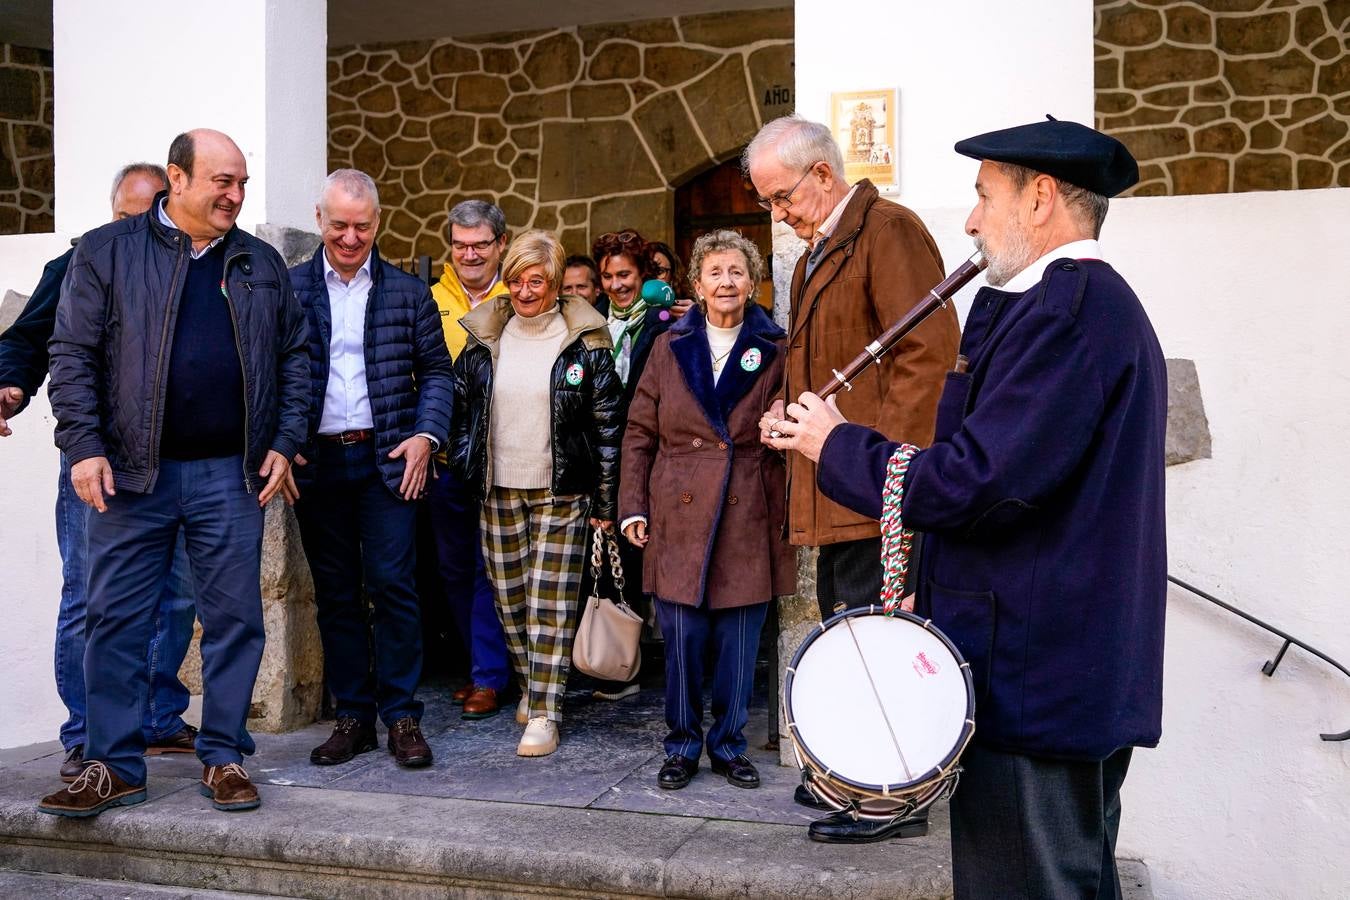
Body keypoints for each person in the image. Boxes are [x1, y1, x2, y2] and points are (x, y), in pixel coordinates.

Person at [768, 117, 1165, 897]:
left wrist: (835, 443)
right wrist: (931, 585)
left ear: (1042, 198)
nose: (974, 220)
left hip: (1037, 675)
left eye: (985, 197)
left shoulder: (1068, 313)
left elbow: (980, 482)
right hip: (1038, 662)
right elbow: (1013, 489)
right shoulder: (1062, 308)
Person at [39, 129, 309, 817]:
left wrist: (284, 437)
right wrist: (85, 446)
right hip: (131, 476)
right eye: (223, 181)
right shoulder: (107, 252)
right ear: (177, 178)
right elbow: (70, 355)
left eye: (242, 183)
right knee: (114, 621)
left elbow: (297, 355)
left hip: (229, 475)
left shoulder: (258, 262)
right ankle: (111, 766)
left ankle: (222, 758)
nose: (235, 195)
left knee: (234, 622)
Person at [746, 115, 960, 826]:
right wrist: (785, 414)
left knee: (885, 647)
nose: (778, 215)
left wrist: (885, 472)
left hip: (877, 488)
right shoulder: (813, 256)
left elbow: (927, 358)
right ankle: (859, 777)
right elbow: (818, 368)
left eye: (781, 198)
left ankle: (894, 797)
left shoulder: (888, 230)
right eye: (768, 203)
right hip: (838, 487)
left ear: (822, 176)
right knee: (852, 637)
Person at [0, 163, 199, 783]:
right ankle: (87, 732)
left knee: (177, 592)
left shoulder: (190, 265)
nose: (134, 227)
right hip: (96, 461)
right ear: (111, 214)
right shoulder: (79, 264)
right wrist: (9, 385)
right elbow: (28, 339)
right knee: (90, 595)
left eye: (146, 215)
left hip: (173, 463)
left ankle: (159, 716)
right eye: (124, 216)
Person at [289, 170, 454, 768]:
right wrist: (283, 443)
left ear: (378, 223)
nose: (351, 237)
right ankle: (353, 717)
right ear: (319, 219)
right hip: (317, 463)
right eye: (339, 225)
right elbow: (271, 371)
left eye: (362, 226)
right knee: (335, 593)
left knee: (394, 587)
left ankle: (402, 716)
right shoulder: (290, 289)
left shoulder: (411, 292)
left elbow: (438, 371)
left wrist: (424, 436)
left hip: (388, 461)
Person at [620, 229, 795, 791]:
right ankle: (682, 745)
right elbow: (639, 431)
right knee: (683, 640)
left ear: (753, 282)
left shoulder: (776, 348)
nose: (726, 282)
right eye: (715, 272)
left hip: (748, 505)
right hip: (678, 508)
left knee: (740, 642)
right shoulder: (669, 347)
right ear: (695, 284)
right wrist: (632, 507)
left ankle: (729, 744)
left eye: (737, 271)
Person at [451, 229, 623, 757]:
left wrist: (605, 502)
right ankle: (534, 684)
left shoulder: (586, 340)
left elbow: (608, 423)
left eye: (537, 281)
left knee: (549, 602)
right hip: (497, 489)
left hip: (561, 489)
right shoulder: (486, 337)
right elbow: (461, 408)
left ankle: (546, 711)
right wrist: (462, 463)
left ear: (555, 284)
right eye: (516, 281)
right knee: (510, 601)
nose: (526, 292)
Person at [428, 199, 513, 720]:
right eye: (461, 245)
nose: (470, 254)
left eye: (481, 244)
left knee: (490, 566)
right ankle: (479, 666)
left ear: (500, 244)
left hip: (504, 455)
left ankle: (492, 675)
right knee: (454, 565)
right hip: (444, 458)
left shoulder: (521, 294)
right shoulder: (429, 298)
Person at [584, 228, 678, 703]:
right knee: (610, 562)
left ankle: (669, 667)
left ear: (642, 277)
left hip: (652, 455)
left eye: (626, 275)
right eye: (609, 276)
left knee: (649, 559)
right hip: (604, 457)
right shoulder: (591, 322)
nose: (617, 284)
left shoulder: (666, 323)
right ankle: (620, 664)